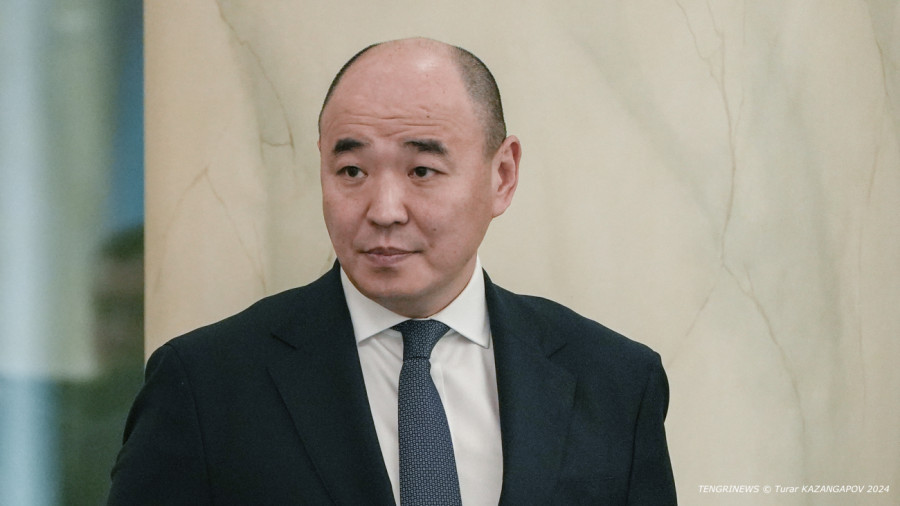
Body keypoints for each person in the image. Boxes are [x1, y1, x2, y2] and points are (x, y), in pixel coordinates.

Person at [108, 37, 676, 505]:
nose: (383, 210)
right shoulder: (207, 383)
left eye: (422, 170)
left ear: (502, 176)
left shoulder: (614, 381)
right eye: (351, 171)